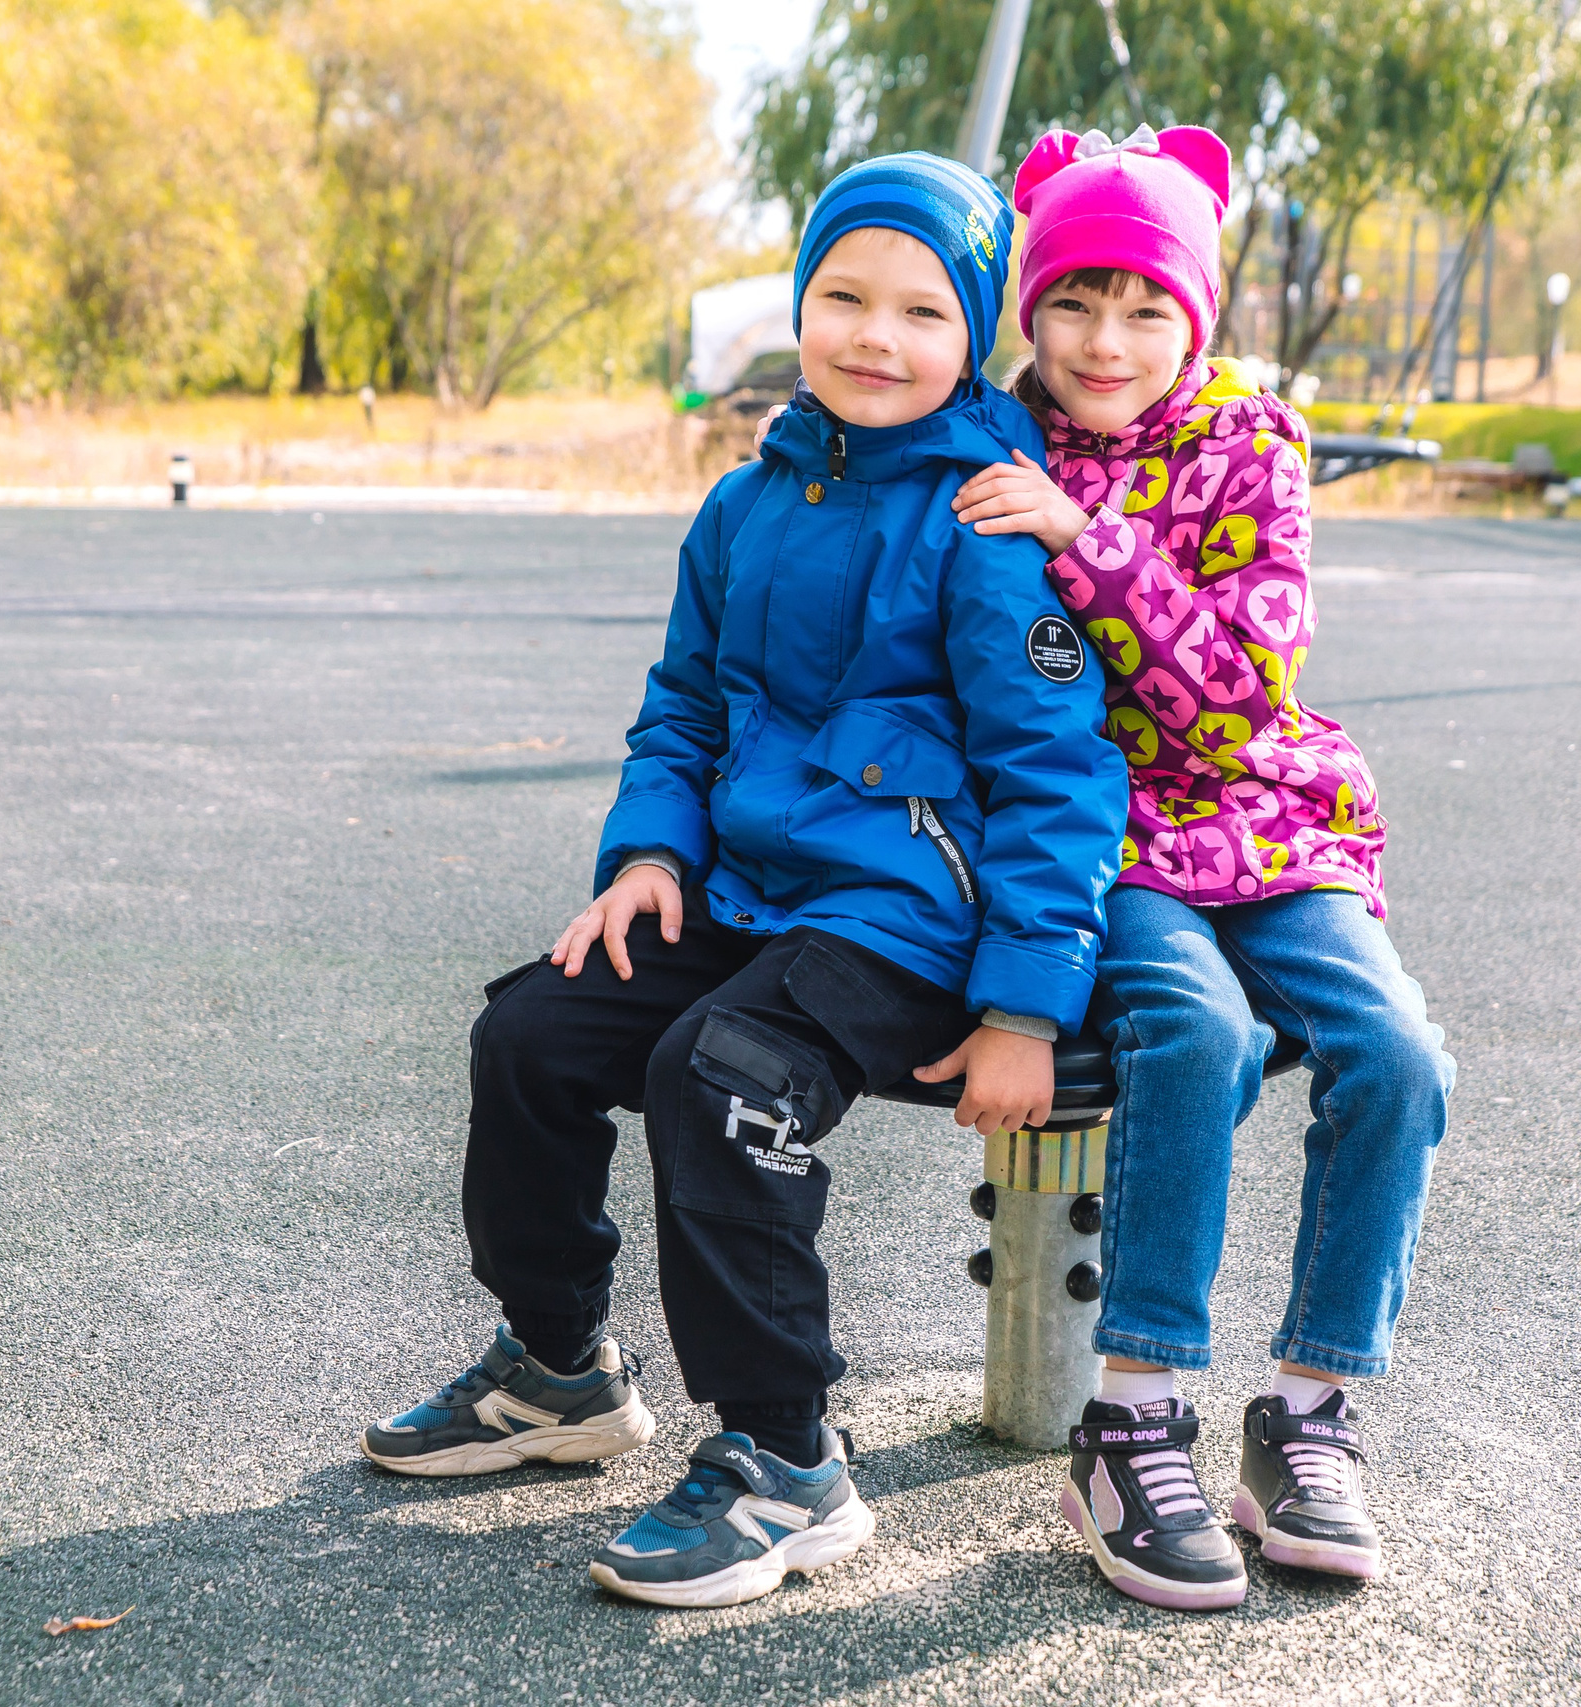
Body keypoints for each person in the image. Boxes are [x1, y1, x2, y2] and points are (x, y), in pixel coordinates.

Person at [356, 152, 1128, 1611]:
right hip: (750, 896)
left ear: (976, 335)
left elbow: (1058, 780)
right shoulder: (743, 507)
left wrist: (1029, 1004)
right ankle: (561, 1370)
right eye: (844, 296)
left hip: (911, 921)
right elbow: (686, 712)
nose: (875, 338)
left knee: (726, 1076)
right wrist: (650, 856)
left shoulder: (980, 523)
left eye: (922, 311)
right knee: (531, 1034)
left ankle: (789, 1457)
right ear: (801, 302)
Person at [948, 125, 1456, 1608]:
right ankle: (1135, 1414)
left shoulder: (1254, 445)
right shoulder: (992, 443)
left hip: (1273, 817)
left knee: (1398, 1056)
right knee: (1197, 1033)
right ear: (1028, 311)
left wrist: (1086, 539)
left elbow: (1241, 685)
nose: (1108, 343)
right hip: (1115, 835)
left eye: (1146, 309)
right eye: (1073, 305)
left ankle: (1305, 1413)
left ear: (1199, 314)